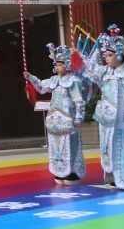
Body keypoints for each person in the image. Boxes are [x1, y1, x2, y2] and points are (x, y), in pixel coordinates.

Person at [83, 25, 124, 189]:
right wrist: (78, 56)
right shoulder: (105, 72)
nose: (106, 58)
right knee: (108, 145)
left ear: (119, 54)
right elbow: (91, 67)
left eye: (110, 55)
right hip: (107, 118)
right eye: (105, 55)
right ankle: (112, 177)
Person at [26, 45, 88, 185]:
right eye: (56, 64)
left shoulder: (74, 81)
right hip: (55, 121)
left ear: (68, 65)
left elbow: (79, 100)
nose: (57, 67)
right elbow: (41, 88)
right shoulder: (53, 80)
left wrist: (78, 117)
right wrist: (31, 78)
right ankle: (59, 171)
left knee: (71, 146)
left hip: (69, 119)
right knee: (56, 146)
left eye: (60, 64)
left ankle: (72, 172)